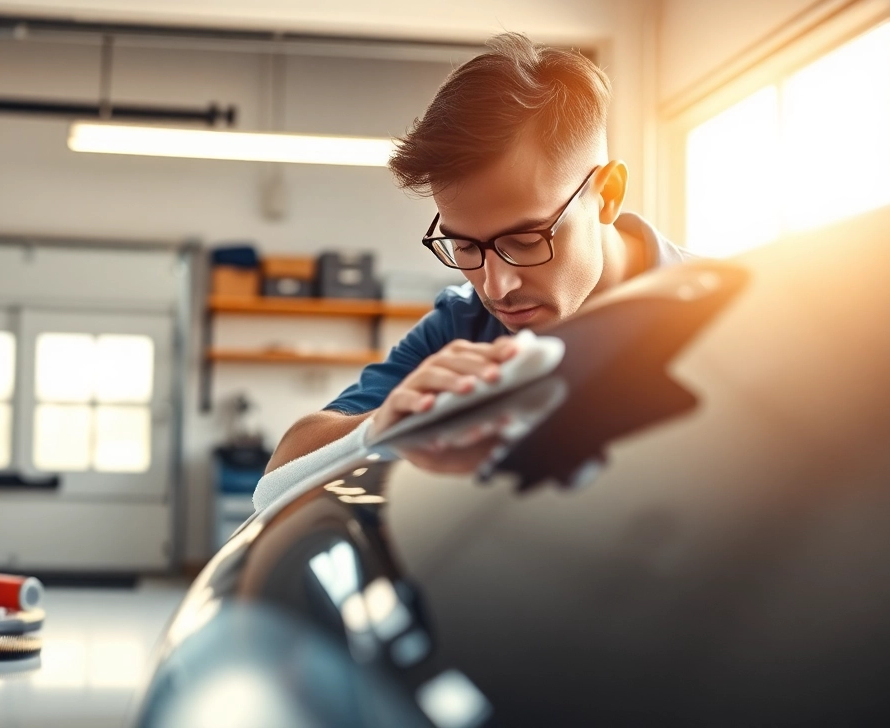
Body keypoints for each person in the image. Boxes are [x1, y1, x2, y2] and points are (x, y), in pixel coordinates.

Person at [265, 34, 693, 476]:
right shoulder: (462, 328)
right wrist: (386, 426)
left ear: (607, 196)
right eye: (465, 246)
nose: (495, 287)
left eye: (525, 241)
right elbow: (283, 467)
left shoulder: (729, 318)